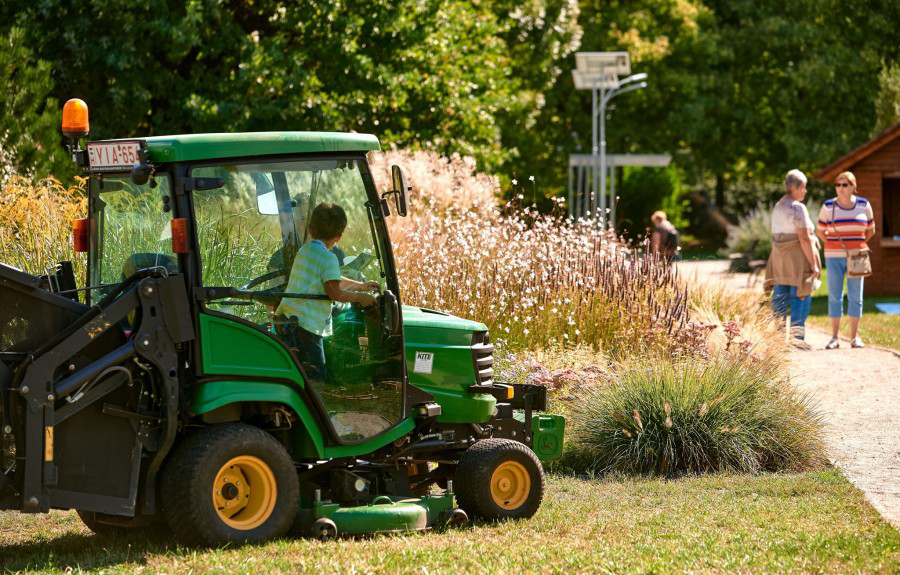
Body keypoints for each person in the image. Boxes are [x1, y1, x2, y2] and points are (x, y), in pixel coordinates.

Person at [275, 202, 380, 383]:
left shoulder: (305, 251)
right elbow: (335, 293)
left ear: (310, 229)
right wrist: (362, 298)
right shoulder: (329, 257)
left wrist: (361, 286)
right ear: (339, 236)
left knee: (298, 372)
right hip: (306, 326)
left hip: (287, 319)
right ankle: (316, 409)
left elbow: (332, 279)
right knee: (316, 374)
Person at [815, 171, 876, 349]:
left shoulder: (864, 205)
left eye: (845, 184)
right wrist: (834, 244)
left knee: (856, 296)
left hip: (857, 257)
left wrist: (857, 245)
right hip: (833, 257)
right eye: (838, 184)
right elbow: (820, 231)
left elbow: (871, 230)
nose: (840, 188)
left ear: (853, 187)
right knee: (835, 296)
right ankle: (834, 338)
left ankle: (854, 337)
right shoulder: (828, 206)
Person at [763, 169, 820, 342]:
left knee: (780, 295)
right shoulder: (797, 208)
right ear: (794, 188)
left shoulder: (778, 205)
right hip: (797, 258)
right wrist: (814, 265)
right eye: (803, 187)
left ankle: (778, 341)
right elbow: (804, 238)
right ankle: (797, 339)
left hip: (780, 258)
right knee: (800, 295)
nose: (805, 191)